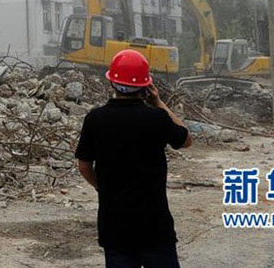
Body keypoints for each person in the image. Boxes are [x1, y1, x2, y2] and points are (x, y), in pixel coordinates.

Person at [75, 50, 192, 268]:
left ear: (112, 82)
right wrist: (158, 102)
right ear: (145, 86)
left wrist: (102, 187)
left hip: (115, 225)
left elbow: (83, 166)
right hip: (154, 225)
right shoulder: (157, 119)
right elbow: (185, 139)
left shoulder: (95, 119)